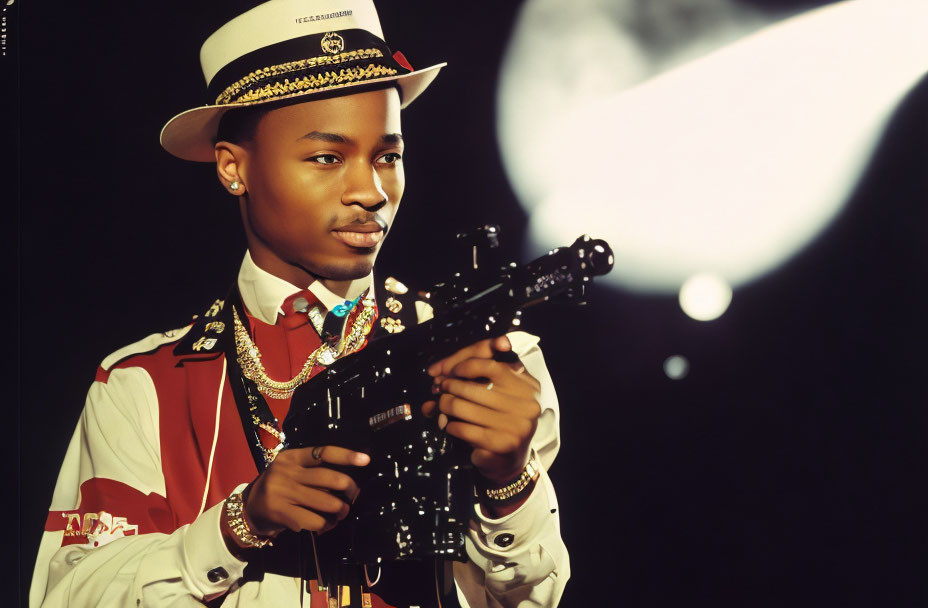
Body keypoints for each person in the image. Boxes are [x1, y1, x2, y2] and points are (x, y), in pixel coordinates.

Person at [30, 1, 569, 606]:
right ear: (234, 168)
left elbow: (527, 597)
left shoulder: (485, 358)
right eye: (326, 157)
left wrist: (509, 484)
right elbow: (69, 595)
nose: (371, 191)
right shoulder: (141, 384)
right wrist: (240, 525)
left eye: (387, 156)